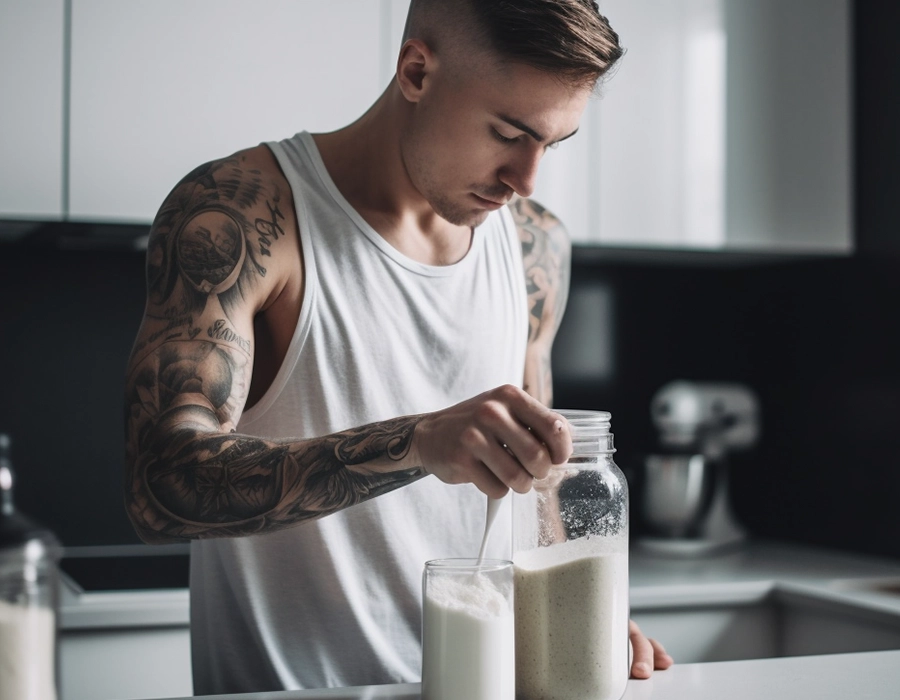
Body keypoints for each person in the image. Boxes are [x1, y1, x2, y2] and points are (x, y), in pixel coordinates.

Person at [123, 0, 673, 693]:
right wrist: (417, 442)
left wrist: (575, 613)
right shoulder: (244, 212)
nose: (526, 179)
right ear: (416, 71)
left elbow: (534, 489)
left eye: (551, 144)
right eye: (508, 132)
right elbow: (159, 489)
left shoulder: (536, 245)